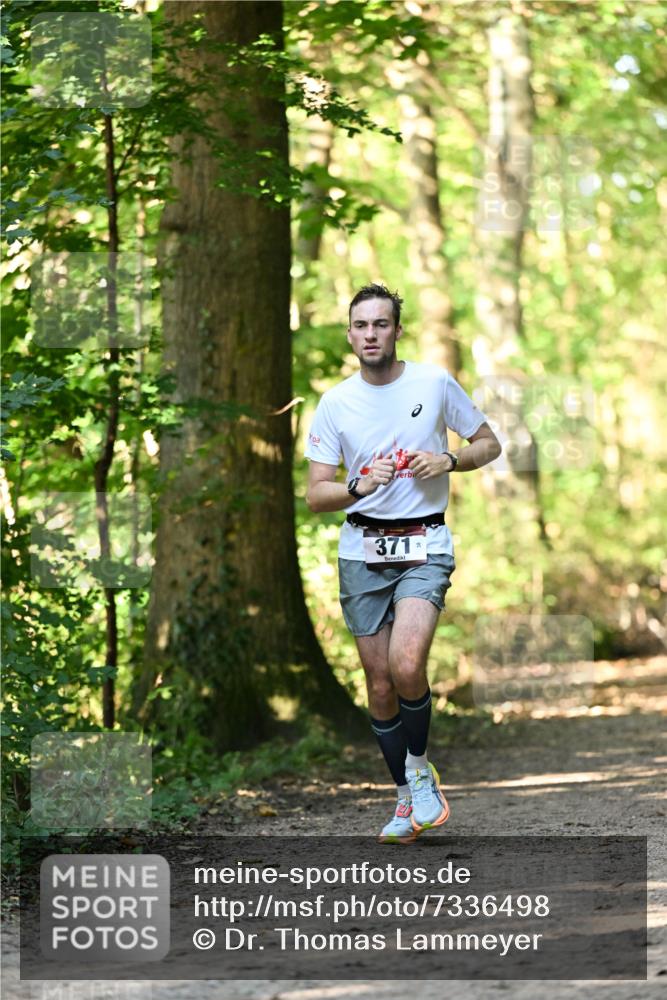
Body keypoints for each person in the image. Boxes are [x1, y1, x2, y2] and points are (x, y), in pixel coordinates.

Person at [304, 283, 501, 844]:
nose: (371, 334)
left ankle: (418, 772)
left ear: (397, 330)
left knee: (407, 662)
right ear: (350, 334)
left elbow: (491, 443)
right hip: (361, 551)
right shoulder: (336, 403)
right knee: (380, 681)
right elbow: (316, 495)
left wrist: (449, 459)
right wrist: (359, 485)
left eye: (381, 324)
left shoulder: (433, 383)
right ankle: (405, 793)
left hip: (424, 545)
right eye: (361, 326)